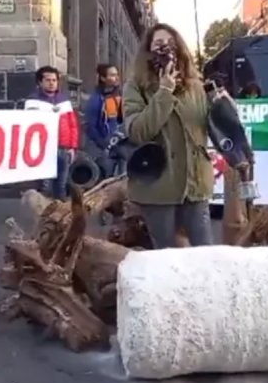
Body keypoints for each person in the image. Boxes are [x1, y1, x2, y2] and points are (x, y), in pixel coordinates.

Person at [122, 22, 215, 248]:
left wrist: (223, 107)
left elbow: (210, 127)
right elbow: (137, 131)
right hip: (158, 186)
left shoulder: (195, 86)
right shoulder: (136, 86)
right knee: (166, 258)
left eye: (171, 44)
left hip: (196, 184)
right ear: (148, 51)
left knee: (206, 254)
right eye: (159, 44)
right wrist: (164, 92)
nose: (165, 49)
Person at [24, 66, 80, 200]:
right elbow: (27, 127)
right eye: (48, 80)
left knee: (61, 186)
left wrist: (72, 147)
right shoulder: (32, 101)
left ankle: (60, 218)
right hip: (43, 150)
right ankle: (43, 218)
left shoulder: (64, 101)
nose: (51, 83)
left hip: (63, 148)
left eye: (54, 80)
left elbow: (72, 126)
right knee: (44, 187)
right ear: (40, 82)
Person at [84, 63, 126, 177]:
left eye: (117, 75)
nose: (116, 78)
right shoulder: (96, 99)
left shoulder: (119, 96)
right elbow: (90, 127)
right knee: (108, 179)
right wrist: (104, 144)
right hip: (105, 149)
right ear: (103, 78)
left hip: (121, 145)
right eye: (112, 75)